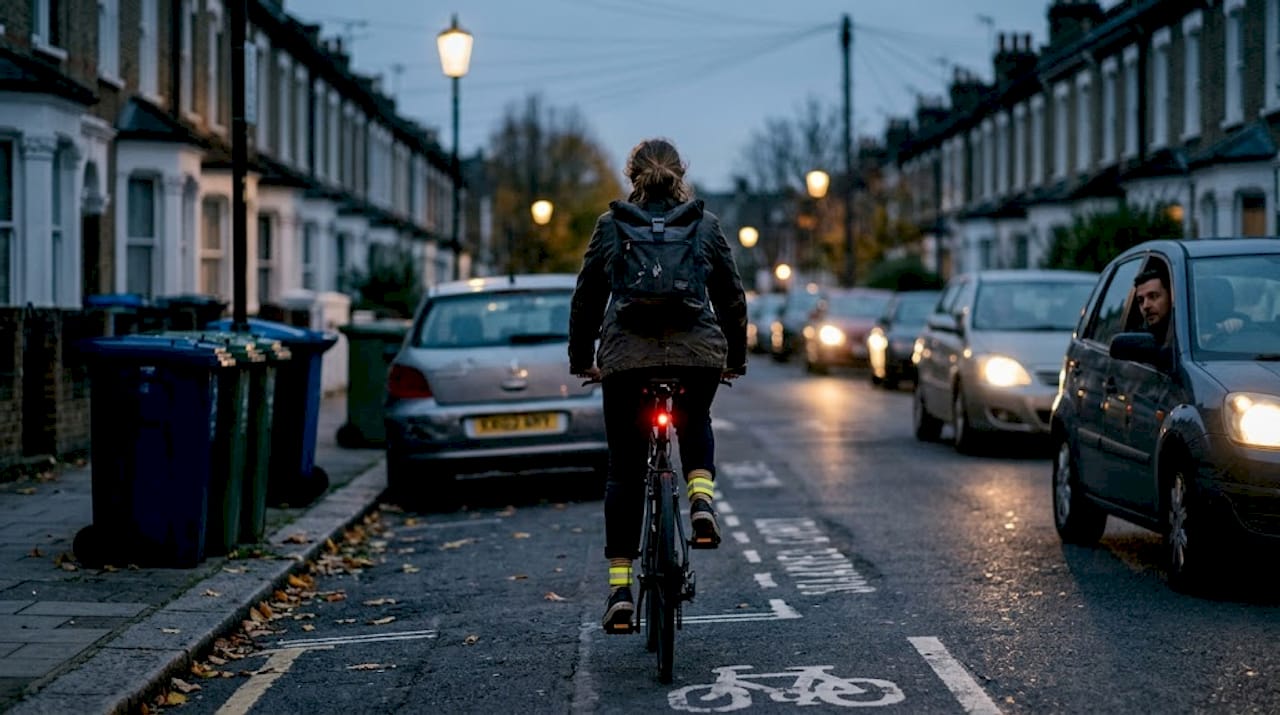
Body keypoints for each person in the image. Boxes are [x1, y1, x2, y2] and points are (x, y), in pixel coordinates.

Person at [568, 138, 748, 633]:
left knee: (624, 468)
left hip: (627, 360)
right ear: (680, 174)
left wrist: (583, 359)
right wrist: (734, 358)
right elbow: (732, 297)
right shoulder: (704, 225)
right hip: (697, 356)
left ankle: (621, 590)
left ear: (633, 176)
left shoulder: (612, 226)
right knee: (694, 421)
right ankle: (701, 501)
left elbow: (586, 300)